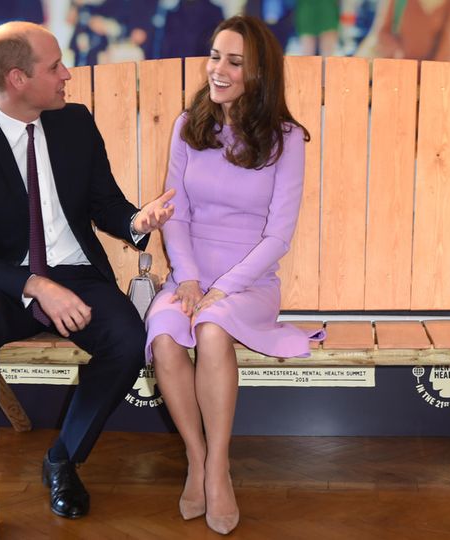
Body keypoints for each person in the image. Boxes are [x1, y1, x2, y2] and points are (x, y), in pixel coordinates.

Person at [0, 21, 175, 539]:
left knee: (130, 340)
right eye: (55, 67)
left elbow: (103, 202)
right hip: (6, 282)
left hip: (78, 273)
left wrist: (137, 222)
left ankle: (63, 458)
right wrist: (34, 285)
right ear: (18, 78)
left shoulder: (75, 124)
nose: (68, 74)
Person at [144, 15, 316, 536]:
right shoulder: (187, 127)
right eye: (215, 55)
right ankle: (198, 459)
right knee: (168, 336)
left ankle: (218, 469)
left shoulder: (287, 139)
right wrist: (191, 280)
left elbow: (278, 237)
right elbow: (178, 214)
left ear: (259, 74)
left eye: (234, 62)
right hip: (189, 276)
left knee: (213, 328)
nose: (218, 69)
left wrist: (221, 288)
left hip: (249, 283)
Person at [359, 0, 450, 81]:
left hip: (439, 78)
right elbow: (382, 32)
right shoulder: (399, 2)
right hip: (402, 77)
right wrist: (397, 51)